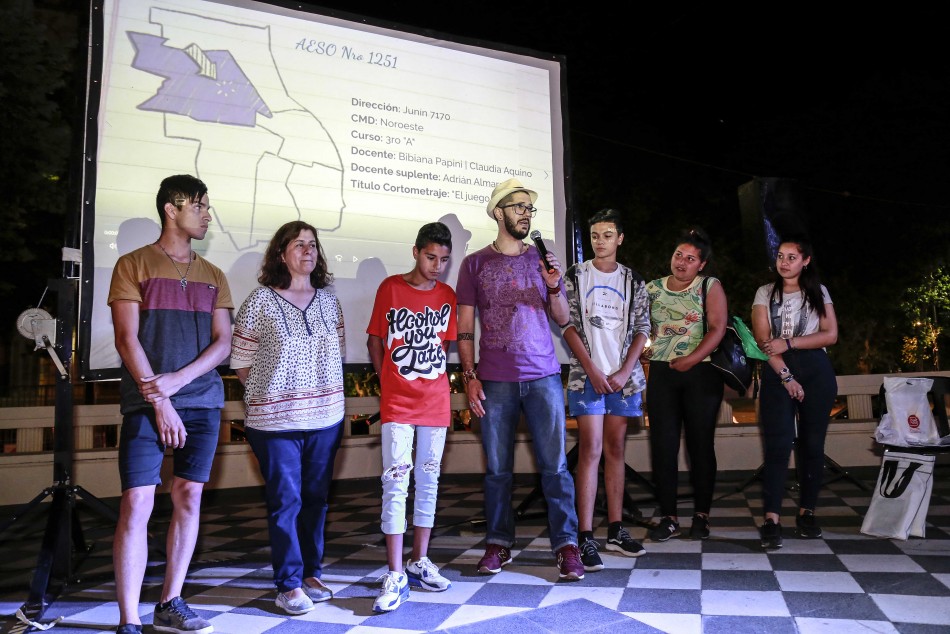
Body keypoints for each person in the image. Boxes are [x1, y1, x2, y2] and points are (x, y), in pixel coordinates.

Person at [109, 174, 233, 634]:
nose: (207, 215)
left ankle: (170, 602)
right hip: (146, 404)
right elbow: (126, 339)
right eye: (199, 206)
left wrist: (178, 380)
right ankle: (128, 618)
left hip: (201, 401)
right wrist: (160, 400)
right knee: (137, 501)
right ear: (171, 208)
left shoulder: (214, 275)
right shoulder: (133, 264)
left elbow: (223, 344)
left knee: (189, 495)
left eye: (207, 207)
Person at [456, 178, 584, 581]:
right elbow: (464, 328)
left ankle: (566, 546)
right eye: (518, 207)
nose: (526, 214)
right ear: (499, 212)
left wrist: (554, 286)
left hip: (543, 376)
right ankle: (498, 542)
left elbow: (562, 318)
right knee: (497, 470)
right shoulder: (474, 264)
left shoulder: (541, 260)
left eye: (529, 208)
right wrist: (469, 376)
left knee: (555, 468)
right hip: (495, 380)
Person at [230, 221, 345, 615]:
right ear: (281, 254)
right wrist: (274, 395)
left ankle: (311, 573)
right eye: (299, 244)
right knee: (286, 501)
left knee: (316, 500)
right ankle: (289, 584)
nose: (308, 250)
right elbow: (241, 363)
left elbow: (337, 354)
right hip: (275, 423)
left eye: (312, 244)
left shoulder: (329, 301)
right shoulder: (260, 301)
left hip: (326, 419)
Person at [366, 222, 458, 612]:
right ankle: (394, 572)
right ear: (416, 252)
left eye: (444, 259)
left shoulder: (448, 296)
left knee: (429, 481)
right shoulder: (390, 288)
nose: (437, 265)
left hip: (435, 402)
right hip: (398, 403)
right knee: (395, 482)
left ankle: (419, 561)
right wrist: (386, 380)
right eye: (430, 257)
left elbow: (444, 348)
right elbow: (375, 340)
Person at [562, 209, 650, 571]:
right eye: (595, 235)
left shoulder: (633, 280)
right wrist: (592, 370)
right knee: (591, 449)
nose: (600, 241)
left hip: (623, 379)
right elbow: (567, 324)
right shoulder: (576, 275)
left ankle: (615, 530)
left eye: (608, 235)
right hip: (587, 377)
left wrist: (625, 370)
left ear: (620, 239)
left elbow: (643, 328)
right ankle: (585, 536)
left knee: (615, 449)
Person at [752, 236, 838, 549]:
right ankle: (771, 519)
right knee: (777, 445)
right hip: (777, 371)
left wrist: (789, 342)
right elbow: (763, 341)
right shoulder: (765, 292)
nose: (784, 262)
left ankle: (807, 513)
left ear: (805, 261)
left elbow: (830, 335)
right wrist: (786, 376)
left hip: (816, 370)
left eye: (792, 257)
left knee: (812, 445)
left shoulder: (818, 291)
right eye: (780, 256)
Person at [645, 227, 726, 542]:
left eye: (691, 259)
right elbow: (642, 328)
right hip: (662, 373)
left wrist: (691, 359)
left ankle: (702, 515)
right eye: (679, 255)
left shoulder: (709, 286)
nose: (681, 262)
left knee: (700, 445)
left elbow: (717, 328)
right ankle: (669, 517)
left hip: (701, 374)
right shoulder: (652, 288)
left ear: (701, 264)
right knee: (663, 446)